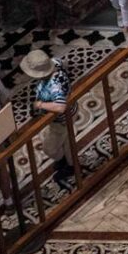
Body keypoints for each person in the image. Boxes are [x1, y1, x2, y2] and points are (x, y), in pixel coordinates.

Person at [21, 48, 76, 185]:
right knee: (68, 141)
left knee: (49, 148)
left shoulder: (54, 85)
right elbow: (66, 63)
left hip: (61, 120)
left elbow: (60, 106)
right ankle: (71, 163)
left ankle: (65, 162)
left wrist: (39, 105)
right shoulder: (55, 63)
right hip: (72, 109)